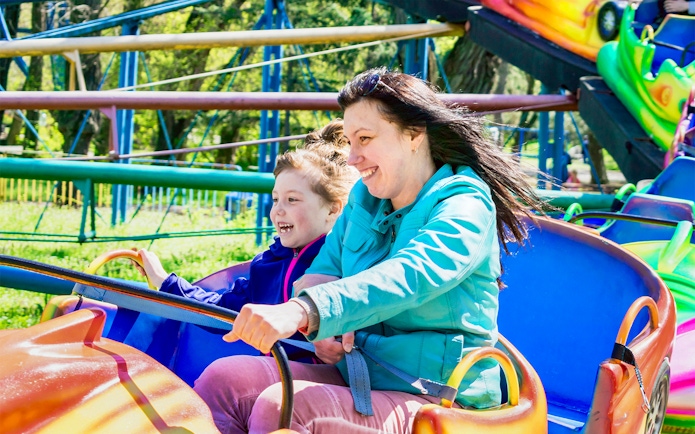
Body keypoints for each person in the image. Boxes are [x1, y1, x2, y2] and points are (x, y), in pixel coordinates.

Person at [194, 67, 548, 434]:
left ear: (414, 134)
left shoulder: (464, 204)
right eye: (350, 141)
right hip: (359, 373)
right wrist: (321, 326)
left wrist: (306, 310)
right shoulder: (366, 199)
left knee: (283, 408)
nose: (352, 157)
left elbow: (409, 275)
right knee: (224, 381)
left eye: (365, 138)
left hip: (440, 395)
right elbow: (324, 269)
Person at [136, 119, 358, 362]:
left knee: (228, 375)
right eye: (275, 200)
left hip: (331, 379)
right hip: (276, 373)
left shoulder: (348, 263)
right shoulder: (268, 264)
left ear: (332, 209)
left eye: (292, 200)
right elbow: (222, 310)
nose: (277, 211)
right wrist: (164, 280)